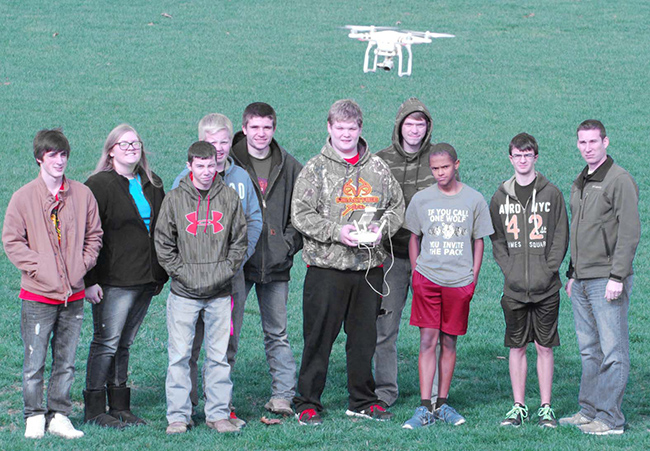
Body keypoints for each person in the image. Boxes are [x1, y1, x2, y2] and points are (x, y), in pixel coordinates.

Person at [291, 99, 405, 425]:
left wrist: (380, 230)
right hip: (326, 267)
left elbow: (397, 206)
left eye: (351, 128)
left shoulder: (378, 168)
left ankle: (362, 400)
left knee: (363, 340)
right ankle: (308, 401)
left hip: (368, 268)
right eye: (339, 128)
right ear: (329, 129)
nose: (345, 134)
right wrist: (336, 232)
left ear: (360, 129)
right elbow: (300, 214)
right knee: (318, 339)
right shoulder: (316, 169)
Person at [2, 129, 103, 439]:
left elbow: (94, 236)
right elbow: (12, 241)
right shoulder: (23, 197)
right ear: (39, 159)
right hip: (37, 296)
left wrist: (81, 266)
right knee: (35, 361)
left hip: (72, 295)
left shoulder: (83, 195)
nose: (59, 161)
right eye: (52, 156)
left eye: (63, 155)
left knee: (66, 360)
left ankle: (58, 414)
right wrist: (42, 269)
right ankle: (34, 414)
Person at [172, 113, 262, 428]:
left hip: (229, 278)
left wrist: (235, 262)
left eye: (225, 142)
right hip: (190, 280)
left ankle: (220, 407)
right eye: (212, 143)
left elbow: (254, 220)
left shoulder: (241, 179)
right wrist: (184, 268)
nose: (220, 148)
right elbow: (171, 231)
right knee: (188, 345)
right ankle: (188, 405)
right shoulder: (180, 184)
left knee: (225, 343)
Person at [155, 141, 247, 434]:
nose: (207, 172)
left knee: (218, 357)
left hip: (221, 293)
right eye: (200, 166)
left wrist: (224, 272)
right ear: (190, 166)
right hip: (184, 293)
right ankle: (179, 416)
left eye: (211, 166)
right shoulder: (174, 199)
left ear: (216, 165)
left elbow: (239, 242)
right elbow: (163, 243)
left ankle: (218, 414)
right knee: (180, 356)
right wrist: (182, 274)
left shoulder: (230, 199)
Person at [83, 124, 169, 428]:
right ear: (111, 150)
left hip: (146, 279)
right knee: (106, 342)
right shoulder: (99, 184)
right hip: (112, 280)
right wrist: (89, 280)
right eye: (124, 143)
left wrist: (161, 272)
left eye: (136, 142)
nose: (132, 147)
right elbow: (88, 234)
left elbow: (162, 229)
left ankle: (120, 405)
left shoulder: (153, 183)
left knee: (124, 343)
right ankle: (94, 409)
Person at [402, 144, 493, 429]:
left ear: (456, 165)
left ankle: (442, 402)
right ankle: (424, 405)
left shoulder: (474, 199)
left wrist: (473, 277)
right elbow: (413, 237)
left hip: (459, 282)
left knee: (449, 341)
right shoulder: (421, 199)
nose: (440, 173)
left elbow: (479, 241)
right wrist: (417, 273)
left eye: (445, 167)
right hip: (428, 279)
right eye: (435, 168)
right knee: (427, 340)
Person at [559, 120, 640, 435]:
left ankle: (610, 420)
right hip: (581, 279)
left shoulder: (619, 180)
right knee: (589, 349)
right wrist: (572, 274)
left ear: (606, 141)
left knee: (612, 350)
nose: (588, 147)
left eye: (593, 141)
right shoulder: (581, 179)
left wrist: (617, 276)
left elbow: (630, 232)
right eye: (582, 142)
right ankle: (589, 411)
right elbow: (582, 230)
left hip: (607, 279)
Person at [489, 133, 568, 428]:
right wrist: (509, 270)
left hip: (547, 286)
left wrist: (549, 269)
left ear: (536, 157)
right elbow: (497, 239)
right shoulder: (499, 197)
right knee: (517, 346)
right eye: (517, 156)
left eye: (528, 155)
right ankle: (519, 406)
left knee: (545, 346)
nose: (523, 160)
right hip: (514, 288)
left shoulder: (551, 194)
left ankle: (546, 407)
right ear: (510, 159)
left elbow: (560, 236)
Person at [230, 102, 303, 417]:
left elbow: (301, 213)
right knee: (227, 333)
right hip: (236, 265)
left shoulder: (289, 165)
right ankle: (220, 398)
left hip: (276, 263)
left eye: (267, 127)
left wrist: (287, 245)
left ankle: (283, 396)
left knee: (278, 332)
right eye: (254, 127)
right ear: (244, 128)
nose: (261, 134)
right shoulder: (229, 163)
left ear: (274, 129)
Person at [374, 97, 439, 407]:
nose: (414, 129)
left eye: (420, 123)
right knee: (385, 328)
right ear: (399, 126)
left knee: (433, 328)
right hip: (392, 258)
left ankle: (436, 393)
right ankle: (385, 391)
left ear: (427, 127)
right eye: (409, 123)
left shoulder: (439, 161)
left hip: (431, 260)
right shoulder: (379, 161)